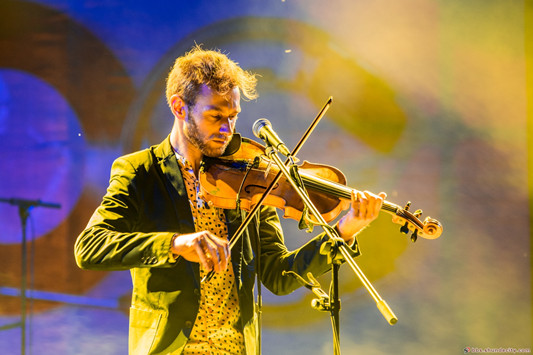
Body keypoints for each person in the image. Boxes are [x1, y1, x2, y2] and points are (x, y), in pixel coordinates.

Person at [74, 45, 386, 355]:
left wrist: (344, 231)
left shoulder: (250, 176)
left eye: (233, 116)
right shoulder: (140, 171)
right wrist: (175, 244)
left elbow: (278, 275)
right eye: (215, 116)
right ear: (179, 107)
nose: (227, 129)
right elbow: (90, 248)